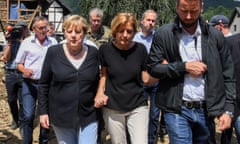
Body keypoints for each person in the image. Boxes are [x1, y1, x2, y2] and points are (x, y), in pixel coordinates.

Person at [146, 0, 235, 144]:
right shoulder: (164, 34)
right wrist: (183, 67)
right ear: (176, 8)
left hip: (206, 109)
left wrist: (228, 109)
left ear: (201, 8)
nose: (188, 16)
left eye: (193, 11)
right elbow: (153, 68)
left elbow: (228, 74)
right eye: (184, 10)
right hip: (176, 109)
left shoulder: (215, 36)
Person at [38, 15, 99, 144]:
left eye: (78, 32)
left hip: (88, 114)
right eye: (69, 31)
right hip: (61, 115)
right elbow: (44, 84)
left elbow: (98, 81)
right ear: (64, 32)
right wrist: (43, 112)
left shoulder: (93, 53)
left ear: (84, 33)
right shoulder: (53, 53)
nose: (73, 35)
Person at [94, 12, 149, 144]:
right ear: (114, 31)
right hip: (113, 106)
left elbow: (146, 77)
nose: (125, 35)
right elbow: (104, 75)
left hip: (137, 105)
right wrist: (100, 93)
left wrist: (162, 72)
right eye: (121, 31)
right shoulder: (105, 50)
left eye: (129, 31)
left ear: (134, 32)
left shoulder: (140, 50)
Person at [15, 16, 58, 144]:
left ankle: (43, 141)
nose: (44, 30)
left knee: (45, 116)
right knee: (28, 116)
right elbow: (19, 64)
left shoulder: (53, 43)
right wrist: (25, 71)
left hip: (47, 85)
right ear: (34, 29)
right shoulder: (27, 43)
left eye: (46, 27)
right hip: (29, 84)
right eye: (41, 28)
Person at [133, 9, 165, 144]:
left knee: (154, 115)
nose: (151, 23)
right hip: (140, 81)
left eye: (153, 21)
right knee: (140, 114)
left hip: (157, 80)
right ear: (142, 21)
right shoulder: (134, 39)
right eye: (148, 20)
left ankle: (151, 140)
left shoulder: (158, 38)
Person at [0, 20, 28, 131]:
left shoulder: (29, 43)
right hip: (10, 73)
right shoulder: (9, 42)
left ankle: (21, 122)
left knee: (22, 100)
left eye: (21, 29)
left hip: (22, 74)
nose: (19, 32)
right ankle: (15, 119)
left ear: (25, 30)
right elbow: (6, 57)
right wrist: (10, 42)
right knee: (11, 99)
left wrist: (22, 41)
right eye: (17, 29)